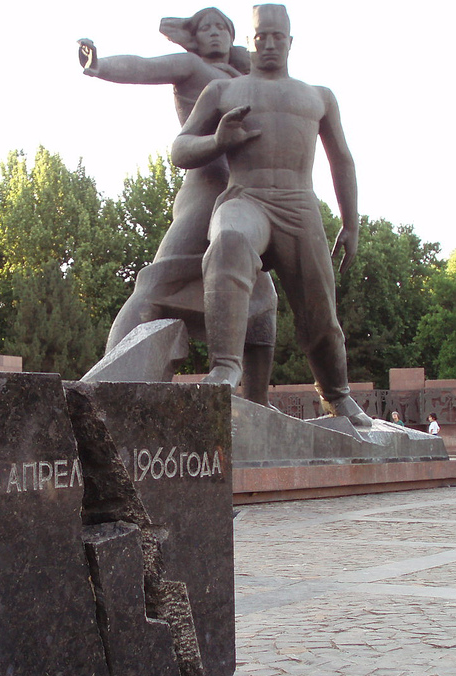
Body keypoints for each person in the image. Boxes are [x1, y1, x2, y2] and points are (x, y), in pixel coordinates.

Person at [170, 3, 371, 427]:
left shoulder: (318, 96)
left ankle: (337, 394)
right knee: (228, 242)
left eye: (279, 36)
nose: (270, 44)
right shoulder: (224, 92)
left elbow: (343, 161)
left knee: (320, 309)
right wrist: (217, 141)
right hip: (247, 196)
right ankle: (225, 367)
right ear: (251, 40)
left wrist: (351, 224)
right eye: (262, 37)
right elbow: (180, 149)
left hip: (300, 207)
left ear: (291, 41)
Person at [78, 8, 279, 405]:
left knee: (261, 293)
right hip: (205, 189)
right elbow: (144, 67)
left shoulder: (247, 81)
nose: (216, 34)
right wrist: (100, 66)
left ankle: (257, 403)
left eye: (224, 27)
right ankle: (107, 384)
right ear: (193, 37)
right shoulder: (191, 67)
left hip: (243, 199)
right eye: (206, 28)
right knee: (156, 283)